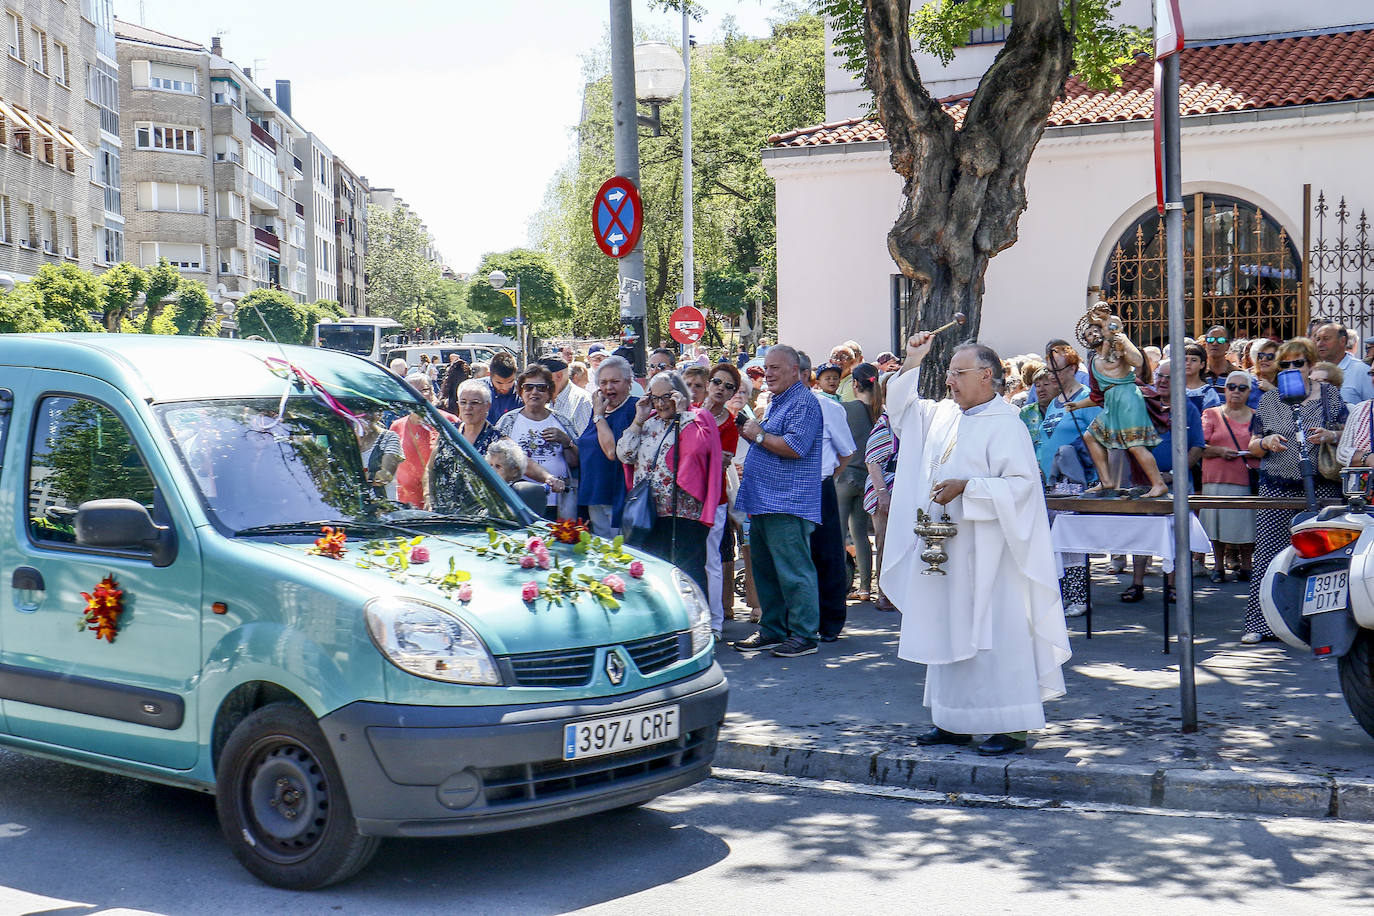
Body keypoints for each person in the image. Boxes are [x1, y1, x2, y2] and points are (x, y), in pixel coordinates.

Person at [883, 333, 1071, 756]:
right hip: (947, 548)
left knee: (997, 633)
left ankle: (1012, 723)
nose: (949, 381)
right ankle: (954, 721)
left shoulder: (1006, 424)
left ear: (987, 376)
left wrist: (968, 487)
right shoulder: (945, 415)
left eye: (958, 373)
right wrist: (913, 359)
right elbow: (901, 412)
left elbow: (1023, 488)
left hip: (992, 554)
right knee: (947, 628)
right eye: (948, 372)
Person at [1246, 337, 1346, 643]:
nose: (1291, 369)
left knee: (1322, 559)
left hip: (1323, 487)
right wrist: (1266, 442)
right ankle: (1259, 624)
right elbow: (1252, 443)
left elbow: (1348, 433)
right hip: (1277, 487)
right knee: (1267, 555)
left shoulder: (1330, 395)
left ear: (1311, 365)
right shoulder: (1270, 399)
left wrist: (1331, 434)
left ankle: (1321, 627)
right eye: (1285, 364)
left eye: (1298, 363)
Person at [731, 344, 825, 658]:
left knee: (794, 571)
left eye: (776, 368)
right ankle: (773, 629)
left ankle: (803, 635)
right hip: (765, 500)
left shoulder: (804, 402)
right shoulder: (779, 401)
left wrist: (757, 435)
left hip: (787, 501)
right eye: (766, 368)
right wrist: (751, 431)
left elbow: (795, 447)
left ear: (797, 372)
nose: (768, 373)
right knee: (767, 571)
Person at [615, 370, 722, 596]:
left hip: (685, 513)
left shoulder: (698, 418)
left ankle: (698, 626)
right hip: (650, 513)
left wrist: (683, 414)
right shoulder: (648, 421)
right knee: (655, 572)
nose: (661, 404)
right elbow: (625, 454)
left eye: (667, 397)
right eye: (656, 398)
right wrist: (638, 418)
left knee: (689, 572)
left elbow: (696, 452)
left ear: (679, 395)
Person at [802, 351, 857, 642]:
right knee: (800, 555)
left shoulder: (827, 406)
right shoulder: (774, 404)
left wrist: (828, 476)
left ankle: (831, 620)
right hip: (791, 488)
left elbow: (846, 451)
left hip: (819, 484)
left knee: (827, 553)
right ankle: (801, 619)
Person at [494, 364, 578, 519]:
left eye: (541, 388)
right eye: (528, 387)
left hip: (558, 501)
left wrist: (566, 442)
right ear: (521, 391)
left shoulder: (562, 421)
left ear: (550, 392)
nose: (534, 392)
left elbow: (575, 463)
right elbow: (498, 463)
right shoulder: (508, 421)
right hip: (519, 500)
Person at [1200, 370, 1258, 583]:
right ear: (1224, 390)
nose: (1236, 392)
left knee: (1245, 526)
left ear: (1249, 392)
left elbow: (1262, 444)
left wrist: (1256, 450)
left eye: (1242, 388)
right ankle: (1217, 565)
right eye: (1231, 387)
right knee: (1216, 526)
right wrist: (1220, 451)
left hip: (1245, 478)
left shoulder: (1256, 416)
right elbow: (1199, 446)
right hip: (1215, 477)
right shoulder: (1211, 414)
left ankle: (1246, 565)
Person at [700, 362, 744, 635]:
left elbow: (722, 462)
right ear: (708, 382)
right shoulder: (688, 413)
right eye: (717, 382)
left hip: (713, 499)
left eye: (728, 387)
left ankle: (715, 623)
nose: (721, 389)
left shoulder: (729, 425)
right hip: (682, 499)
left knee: (712, 561)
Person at [836, 362, 881, 603]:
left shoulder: (845, 409)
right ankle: (865, 588)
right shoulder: (880, 411)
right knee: (861, 535)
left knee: (838, 534)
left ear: (854, 384)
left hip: (844, 478)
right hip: (868, 480)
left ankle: (838, 585)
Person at [580, 355, 638, 537]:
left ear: (628, 383)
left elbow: (612, 452)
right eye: (603, 382)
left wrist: (599, 416)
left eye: (615, 381)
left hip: (618, 495)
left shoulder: (634, 408)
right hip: (594, 493)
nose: (608, 387)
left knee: (618, 550)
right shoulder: (598, 409)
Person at [389, 373, 457, 507]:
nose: (418, 395)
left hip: (442, 503)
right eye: (411, 391)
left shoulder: (450, 422)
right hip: (408, 505)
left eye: (424, 390)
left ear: (432, 392)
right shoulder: (396, 426)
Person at [1314, 322, 1374, 405]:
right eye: (1318, 339)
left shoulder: (1362, 371)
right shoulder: (1314, 372)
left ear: (1342, 341)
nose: (1320, 344)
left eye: (1326, 338)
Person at [486, 438, 545, 515]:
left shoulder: (519, 495)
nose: (492, 470)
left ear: (514, 472)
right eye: (490, 465)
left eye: (498, 466)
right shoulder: (481, 490)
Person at [356, 408, 402, 501]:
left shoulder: (389, 437)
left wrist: (354, 477)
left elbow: (385, 476)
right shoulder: (345, 438)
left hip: (383, 510)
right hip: (352, 509)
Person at [543, 355, 593, 436]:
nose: (538, 381)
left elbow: (588, 443)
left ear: (558, 376)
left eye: (542, 377)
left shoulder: (582, 402)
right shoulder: (546, 399)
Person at [484, 352, 522, 424]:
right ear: (489, 375)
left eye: (510, 382)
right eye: (499, 383)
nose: (505, 387)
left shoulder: (522, 394)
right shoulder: (477, 389)